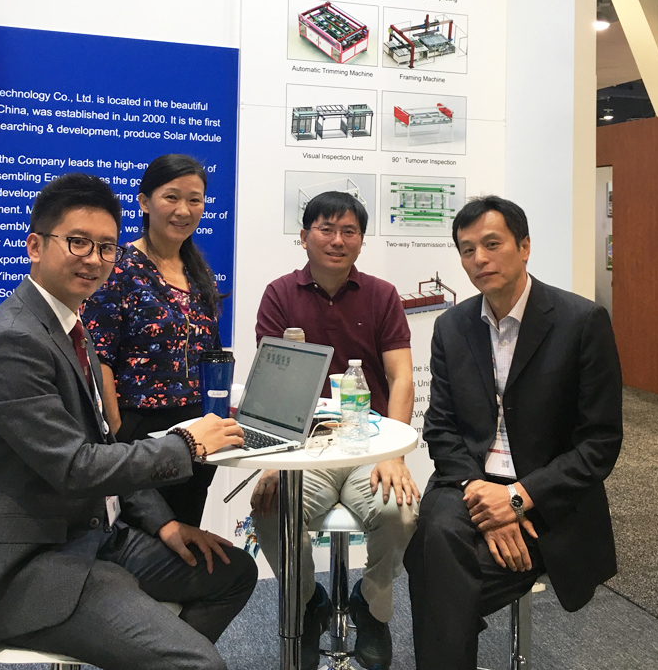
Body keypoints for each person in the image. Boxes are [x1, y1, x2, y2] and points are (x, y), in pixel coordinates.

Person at [0, 173, 257, 670]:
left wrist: (165, 523)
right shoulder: (13, 341)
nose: (93, 258)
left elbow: (105, 443)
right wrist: (187, 444)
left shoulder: (71, 326)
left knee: (233, 571)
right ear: (35, 246)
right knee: (198, 663)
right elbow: (76, 467)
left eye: (107, 247)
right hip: (31, 568)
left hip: (95, 538)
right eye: (78, 242)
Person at [404, 196, 623, 670]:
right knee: (438, 533)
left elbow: (600, 443)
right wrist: (483, 495)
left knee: (430, 564)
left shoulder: (581, 322)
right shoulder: (451, 326)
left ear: (524, 247)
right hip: (466, 482)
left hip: (548, 494)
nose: (479, 259)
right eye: (467, 250)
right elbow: (440, 426)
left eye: (491, 244)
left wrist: (518, 499)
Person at [250, 191, 418, 670]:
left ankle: (372, 606)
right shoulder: (280, 294)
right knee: (270, 509)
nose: (337, 240)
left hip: (369, 445)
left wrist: (393, 455)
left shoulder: (382, 295)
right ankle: (309, 604)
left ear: (361, 240)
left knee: (401, 511)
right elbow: (273, 385)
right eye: (326, 229)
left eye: (349, 231)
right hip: (306, 449)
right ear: (304, 236)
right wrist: (274, 463)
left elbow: (402, 378)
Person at [84, 154, 222, 527]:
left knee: (187, 534)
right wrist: (114, 432)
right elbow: (98, 355)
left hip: (196, 432)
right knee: (143, 540)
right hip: (140, 433)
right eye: (171, 197)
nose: (183, 210)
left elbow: (209, 352)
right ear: (145, 202)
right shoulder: (119, 266)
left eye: (194, 200)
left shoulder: (198, 272)